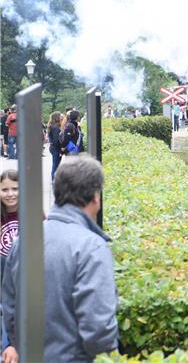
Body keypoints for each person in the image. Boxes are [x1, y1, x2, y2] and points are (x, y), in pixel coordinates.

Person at [2, 155, 119, 363]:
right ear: (95, 196)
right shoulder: (92, 247)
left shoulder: (24, 240)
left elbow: (10, 309)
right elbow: (98, 328)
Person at [0, 170, 19, 363]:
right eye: (4, 189)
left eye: (15, 188)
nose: (10, 193)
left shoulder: (33, 214)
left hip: (18, 290)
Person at [47, 112, 63, 180]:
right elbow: (56, 140)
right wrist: (61, 147)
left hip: (53, 147)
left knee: (55, 163)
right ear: (57, 117)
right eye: (60, 116)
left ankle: (54, 177)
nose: (61, 117)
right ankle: (54, 178)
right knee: (56, 164)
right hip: (56, 148)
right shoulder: (56, 127)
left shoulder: (52, 126)